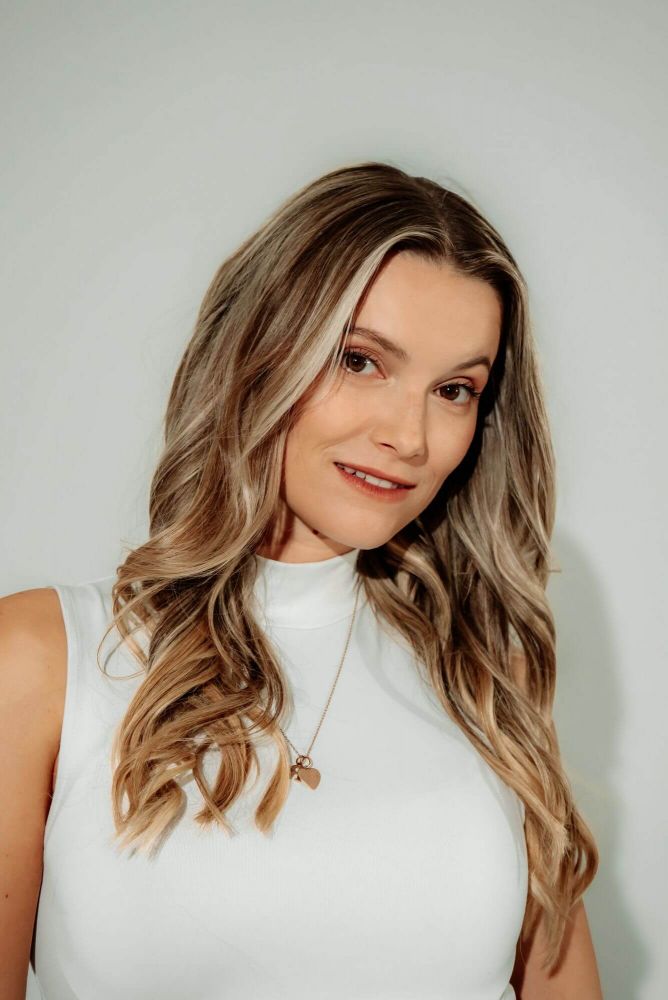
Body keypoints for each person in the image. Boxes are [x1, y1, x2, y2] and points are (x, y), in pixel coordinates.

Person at [0, 161, 603, 999]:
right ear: (258, 351)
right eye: (360, 360)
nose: (411, 436)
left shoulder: (482, 679)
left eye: (454, 389)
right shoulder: (42, 661)